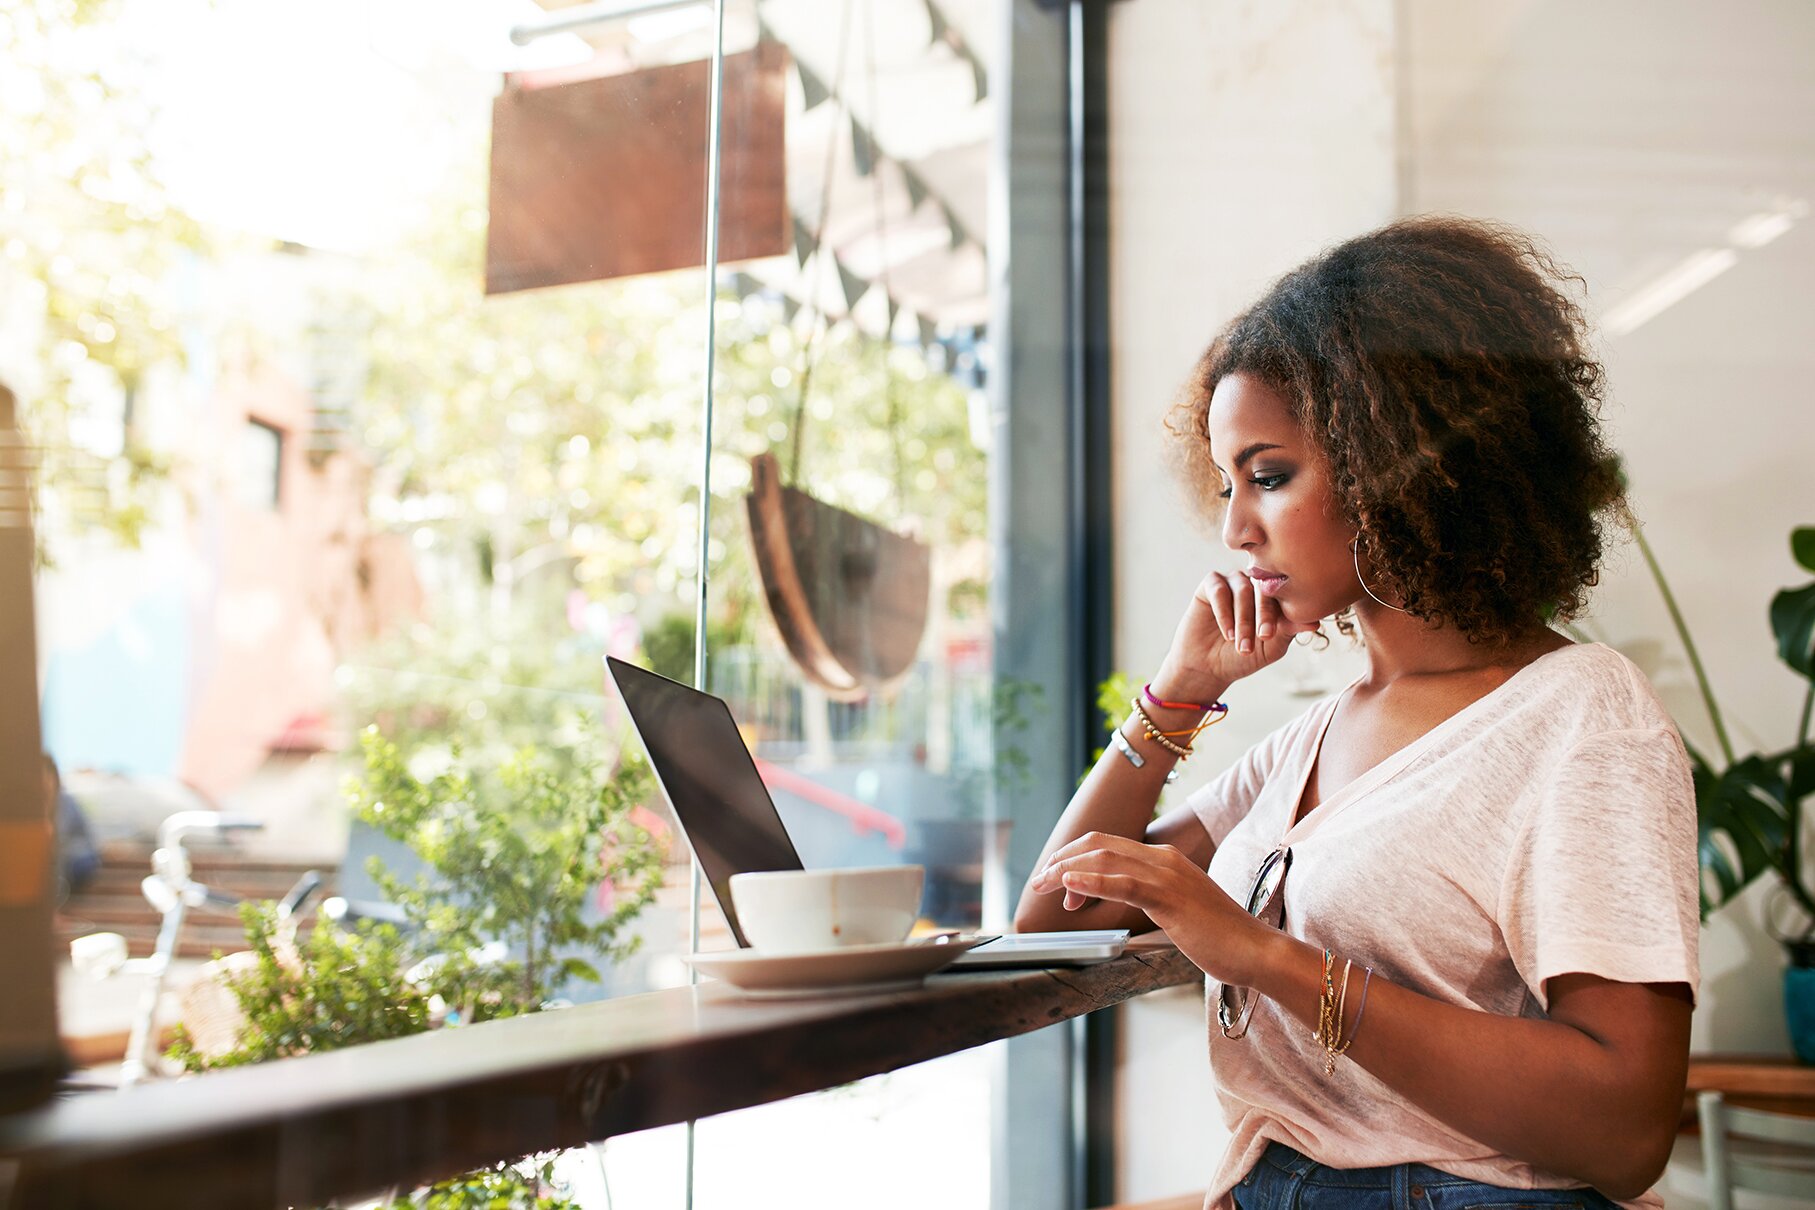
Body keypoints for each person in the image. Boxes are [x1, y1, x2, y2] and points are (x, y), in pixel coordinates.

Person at [1016, 217, 1697, 1210]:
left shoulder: (1582, 717)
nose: (1234, 528)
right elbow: (1051, 920)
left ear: (1398, 464)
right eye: (1225, 483)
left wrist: (1263, 955)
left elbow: (1625, 1130)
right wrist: (1180, 693)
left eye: (1269, 474)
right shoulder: (1313, 738)